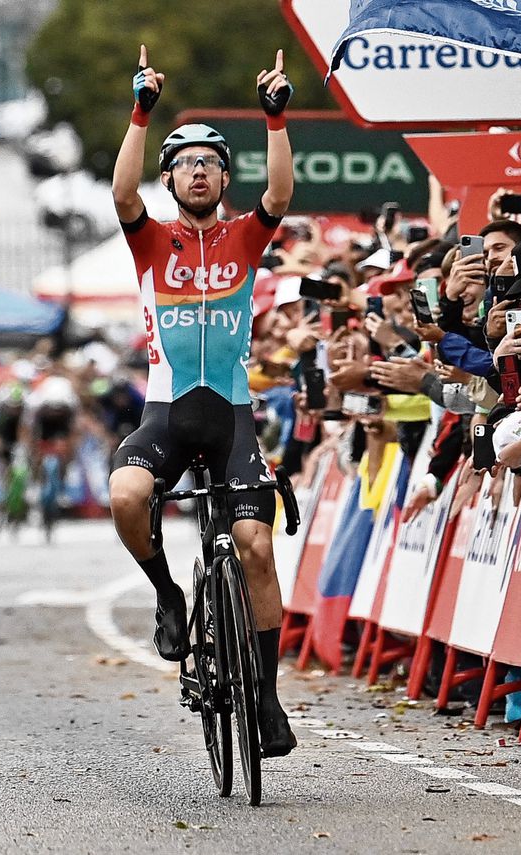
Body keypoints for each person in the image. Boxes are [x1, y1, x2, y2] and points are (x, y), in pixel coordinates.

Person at [106, 44, 298, 758]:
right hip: (165, 412)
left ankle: (269, 701)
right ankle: (167, 593)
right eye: (185, 162)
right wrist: (141, 111)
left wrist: (273, 119)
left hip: (231, 417)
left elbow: (279, 194)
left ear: (223, 177)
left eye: (211, 162)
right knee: (128, 494)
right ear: (171, 178)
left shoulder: (246, 237)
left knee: (255, 547)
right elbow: (121, 194)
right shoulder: (150, 240)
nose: (198, 170)